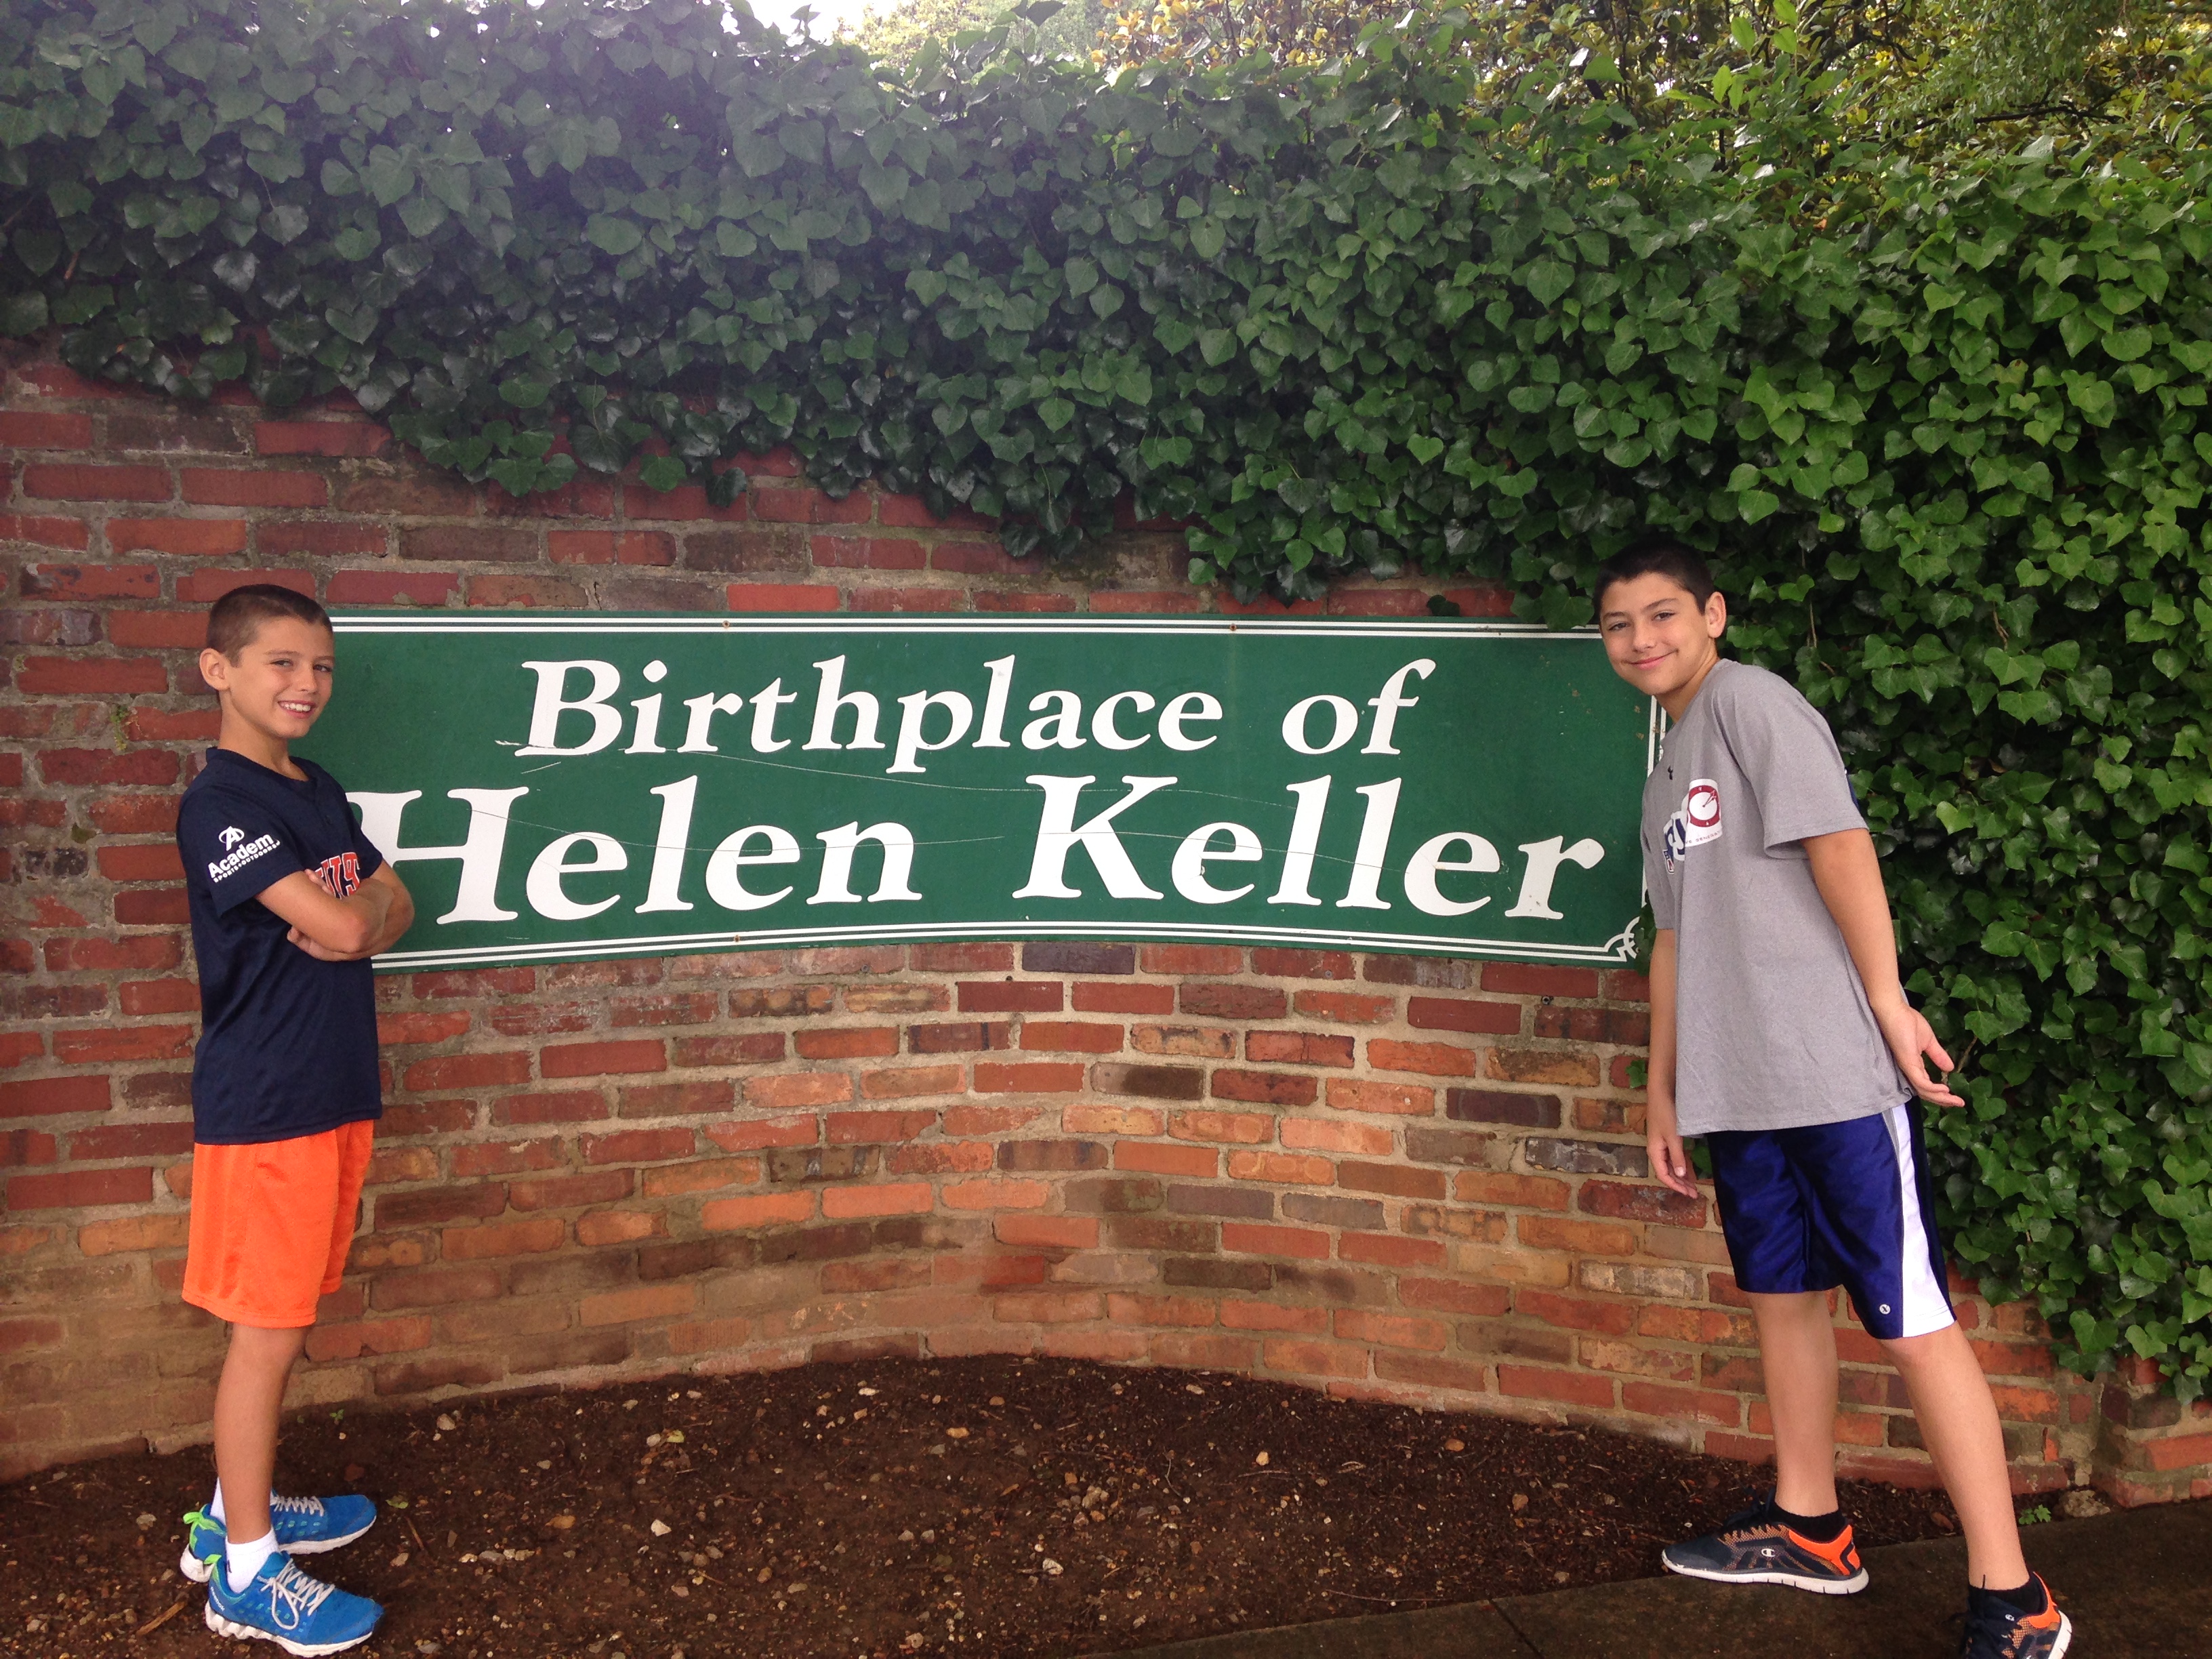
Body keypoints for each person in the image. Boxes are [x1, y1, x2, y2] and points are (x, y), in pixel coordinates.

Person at [1595, 541, 2071, 1659]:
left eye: (1663, 615)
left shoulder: (1751, 703)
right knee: (1783, 1302)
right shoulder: (1664, 773)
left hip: (1828, 1076)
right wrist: (1664, 1091)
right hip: (1739, 1091)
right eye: (1619, 625)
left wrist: (1889, 1004)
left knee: (1912, 1325)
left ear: (1713, 614)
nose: (1642, 639)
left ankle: (2017, 1598)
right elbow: (1673, 940)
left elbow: (1841, 844)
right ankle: (1812, 1529)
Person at [171, 584, 414, 1655]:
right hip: (268, 1103)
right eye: (281, 662)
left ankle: (240, 1504)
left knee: (291, 1318)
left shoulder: (315, 789)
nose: (306, 683)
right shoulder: (220, 805)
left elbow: (395, 905)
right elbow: (352, 923)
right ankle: (245, 1573)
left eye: (320, 665)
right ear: (219, 670)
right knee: (264, 1337)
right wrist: (360, 919)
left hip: (333, 1088)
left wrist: (361, 918)